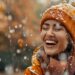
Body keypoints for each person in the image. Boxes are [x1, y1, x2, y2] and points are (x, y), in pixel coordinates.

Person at [24, 2, 75, 75]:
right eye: (45, 28)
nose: (49, 33)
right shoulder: (34, 72)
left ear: (71, 37)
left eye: (57, 29)